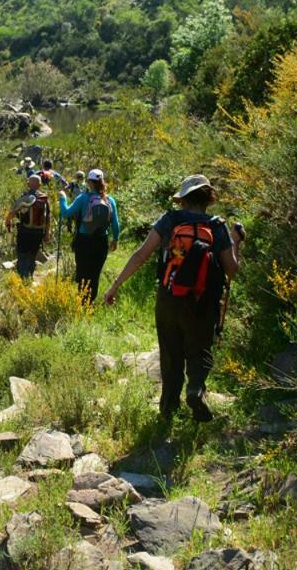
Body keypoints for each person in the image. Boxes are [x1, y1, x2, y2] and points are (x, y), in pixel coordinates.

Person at [102, 174, 242, 422]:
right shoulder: (218, 226)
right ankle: (196, 389)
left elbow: (141, 254)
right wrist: (237, 242)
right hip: (204, 300)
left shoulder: (170, 220)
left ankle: (168, 409)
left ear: (183, 199)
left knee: (170, 352)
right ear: (208, 199)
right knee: (199, 349)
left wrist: (115, 285)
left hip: (169, 296)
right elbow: (231, 270)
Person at [59, 169, 119, 302]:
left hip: (84, 241)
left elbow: (66, 213)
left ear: (89, 182)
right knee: (94, 275)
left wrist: (62, 198)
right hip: (101, 242)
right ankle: (90, 304)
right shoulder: (109, 200)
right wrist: (115, 240)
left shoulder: (83, 198)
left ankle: (82, 304)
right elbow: (115, 224)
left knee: (83, 274)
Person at [6, 174, 50, 279]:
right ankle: (29, 277)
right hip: (38, 233)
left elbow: (12, 213)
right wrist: (47, 234)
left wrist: (8, 222)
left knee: (22, 254)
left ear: (28, 184)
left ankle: (23, 278)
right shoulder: (44, 199)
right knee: (32, 255)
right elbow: (48, 218)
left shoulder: (24, 197)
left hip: (24, 231)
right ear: (40, 185)